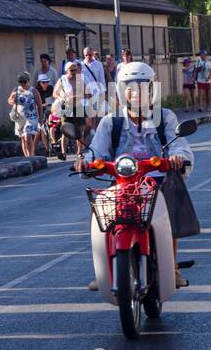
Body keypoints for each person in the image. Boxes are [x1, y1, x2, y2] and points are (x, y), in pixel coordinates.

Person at [78, 61, 196, 289]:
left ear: (151, 89)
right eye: (130, 87)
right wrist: (86, 162)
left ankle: (172, 267)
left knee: (169, 213)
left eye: (142, 87)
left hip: (158, 181)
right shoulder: (111, 121)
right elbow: (97, 150)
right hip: (122, 183)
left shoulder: (166, 117)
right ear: (122, 91)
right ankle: (105, 270)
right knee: (101, 214)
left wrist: (178, 157)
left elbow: (178, 143)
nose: (136, 93)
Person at [54, 60, 100, 158]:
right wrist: (61, 98)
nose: (74, 72)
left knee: (80, 130)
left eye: (75, 70)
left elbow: (87, 93)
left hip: (78, 106)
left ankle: (79, 152)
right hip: (67, 107)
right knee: (66, 130)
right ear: (67, 70)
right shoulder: (62, 80)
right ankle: (63, 152)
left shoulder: (80, 80)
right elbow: (55, 93)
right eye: (72, 70)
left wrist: (85, 95)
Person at [7, 72, 44, 158]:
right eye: (21, 82)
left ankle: (31, 155)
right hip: (20, 117)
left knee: (27, 134)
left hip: (31, 117)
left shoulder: (33, 91)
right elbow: (9, 100)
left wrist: (41, 118)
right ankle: (27, 156)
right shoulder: (16, 90)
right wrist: (13, 101)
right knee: (23, 137)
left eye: (24, 81)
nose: (23, 83)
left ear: (28, 81)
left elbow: (39, 105)